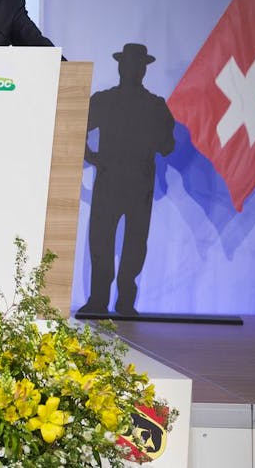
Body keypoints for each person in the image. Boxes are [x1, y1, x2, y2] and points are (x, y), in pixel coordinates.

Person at [79, 44, 175, 315]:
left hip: (136, 185)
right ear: (121, 67)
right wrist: (92, 157)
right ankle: (102, 300)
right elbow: (77, 127)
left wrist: (93, 157)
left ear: (143, 70)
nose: (132, 69)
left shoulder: (154, 106)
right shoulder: (107, 101)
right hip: (114, 182)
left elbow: (167, 145)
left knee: (132, 244)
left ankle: (120, 301)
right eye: (130, 64)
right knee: (105, 242)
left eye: (137, 65)